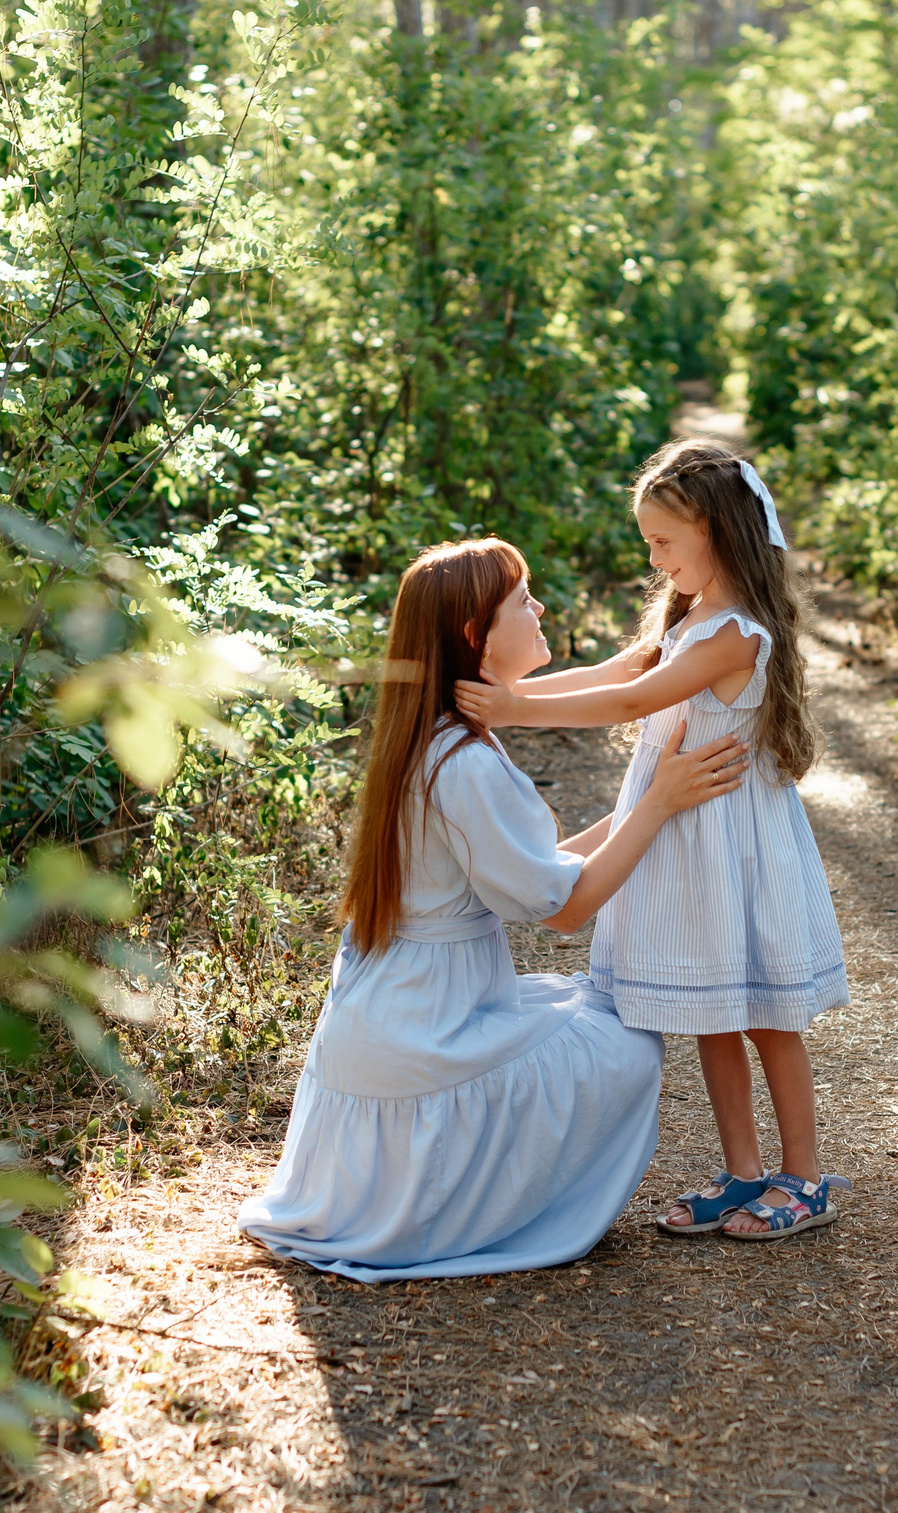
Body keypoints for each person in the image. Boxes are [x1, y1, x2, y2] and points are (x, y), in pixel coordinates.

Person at [237, 537, 751, 1280]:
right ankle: (479, 1210)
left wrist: (644, 800)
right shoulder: (466, 761)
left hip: (395, 1017)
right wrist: (657, 804)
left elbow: (534, 867)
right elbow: (564, 909)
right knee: (627, 1040)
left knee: (588, 1007)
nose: (538, 608)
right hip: (423, 1034)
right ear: (475, 633)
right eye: (522, 600)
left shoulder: (430, 737)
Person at [456, 440, 850, 1240]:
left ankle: (805, 1176)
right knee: (711, 1010)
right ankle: (743, 1171)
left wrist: (514, 712)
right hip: (689, 847)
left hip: (737, 850)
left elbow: (632, 702)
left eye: (663, 540)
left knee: (767, 1017)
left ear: (715, 530)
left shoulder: (737, 633)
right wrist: (510, 686)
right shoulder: (686, 618)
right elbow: (615, 672)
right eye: (649, 542)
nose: (654, 557)